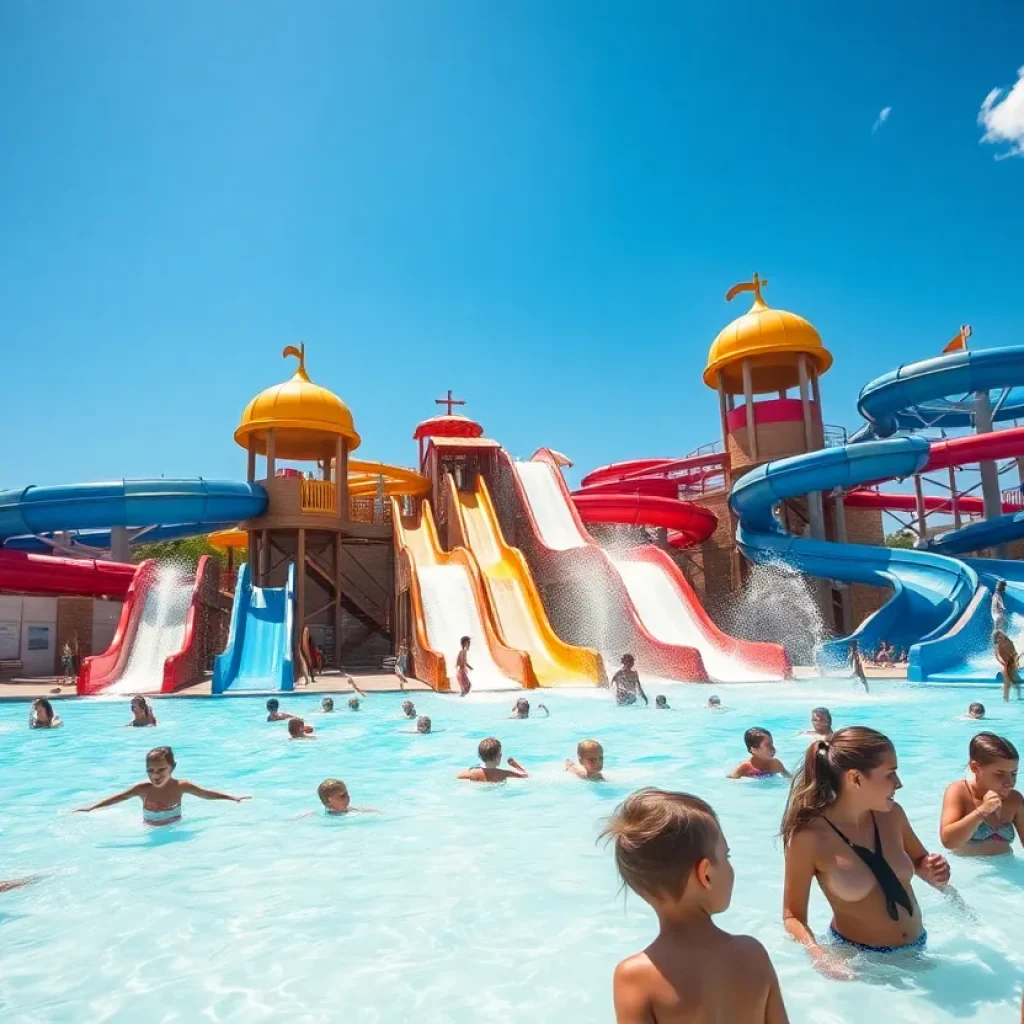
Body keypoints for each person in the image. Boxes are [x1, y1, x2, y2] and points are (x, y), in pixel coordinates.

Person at [601, 788, 789, 1024]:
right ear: (706, 874)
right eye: (726, 856)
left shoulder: (635, 977)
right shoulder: (752, 954)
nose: (731, 868)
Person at [781, 726, 950, 972]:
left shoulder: (893, 815)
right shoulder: (809, 838)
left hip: (919, 948)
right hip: (861, 963)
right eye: (890, 774)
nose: (899, 783)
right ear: (855, 778)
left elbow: (920, 863)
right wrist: (819, 955)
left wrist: (933, 869)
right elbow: (792, 916)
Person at [75, 745, 249, 826]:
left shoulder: (181, 786)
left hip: (175, 827)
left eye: (161, 770)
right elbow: (119, 798)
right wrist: (92, 808)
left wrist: (232, 798)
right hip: (149, 829)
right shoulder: (142, 790)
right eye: (150, 770)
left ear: (172, 767)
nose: (155, 775)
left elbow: (206, 794)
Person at [939, 733, 1023, 856]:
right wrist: (982, 811)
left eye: (1014, 773)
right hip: (968, 869)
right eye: (1000, 774)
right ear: (975, 768)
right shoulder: (959, 791)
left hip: (1008, 868)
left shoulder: (1014, 799)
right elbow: (948, 842)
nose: (1010, 782)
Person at [456, 737, 528, 782]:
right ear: (497, 757)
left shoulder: (472, 772)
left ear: (480, 756)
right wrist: (516, 766)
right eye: (500, 754)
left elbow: (458, 776)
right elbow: (526, 776)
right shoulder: (504, 773)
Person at [994, 630, 1021, 702]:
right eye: (998, 637)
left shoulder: (1009, 642)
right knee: (1008, 683)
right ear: (996, 638)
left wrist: (1016, 663)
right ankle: (1006, 699)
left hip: (1011, 665)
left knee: (1016, 682)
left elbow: (1015, 653)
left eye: (1001, 635)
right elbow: (998, 657)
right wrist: (1004, 664)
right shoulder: (998, 646)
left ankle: (1018, 697)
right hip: (1006, 666)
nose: (1000, 637)